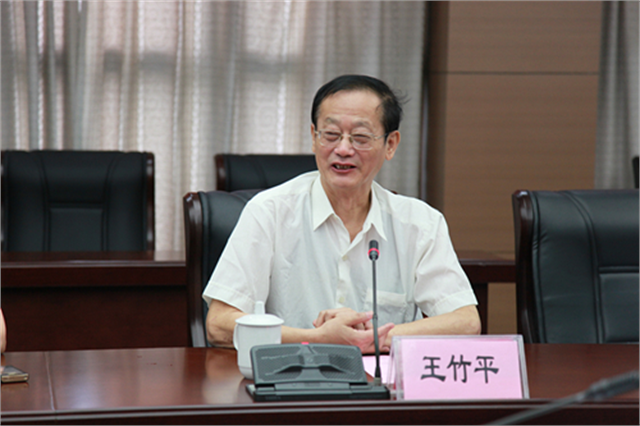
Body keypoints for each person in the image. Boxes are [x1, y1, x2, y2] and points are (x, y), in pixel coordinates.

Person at [203, 74, 481, 354]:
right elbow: (219, 324)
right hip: (292, 376)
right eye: (331, 135)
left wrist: (374, 339)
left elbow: (466, 322)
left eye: (360, 137)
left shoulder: (420, 223)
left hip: (381, 380)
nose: (343, 149)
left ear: (390, 145)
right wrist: (316, 338)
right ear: (314, 138)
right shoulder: (269, 212)